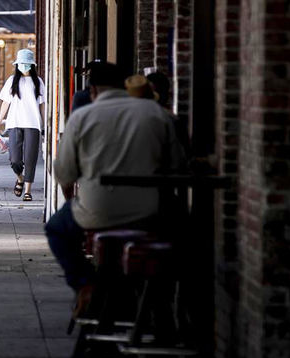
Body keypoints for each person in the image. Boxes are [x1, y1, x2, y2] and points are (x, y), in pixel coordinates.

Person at [45, 62, 186, 303]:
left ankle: (85, 284)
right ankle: (164, 303)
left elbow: (64, 173)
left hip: (95, 212)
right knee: (185, 232)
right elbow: (178, 165)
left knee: (56, 229)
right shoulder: (156, 113)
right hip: (149, 214)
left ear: (93, 91)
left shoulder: (82, 117)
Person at [0, 49, 45, 201]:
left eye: (27, 63)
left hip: (33, 124)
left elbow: (42, 105)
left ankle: (28, 190)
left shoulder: (38, 82)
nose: (24, 66)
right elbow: (5, 103)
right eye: (21, 63)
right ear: (17, 65)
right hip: (14, 122)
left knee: (30, 158)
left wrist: (45, 124)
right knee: (15, 159)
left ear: (32, 65)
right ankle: (20, 178)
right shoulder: (12, 81)